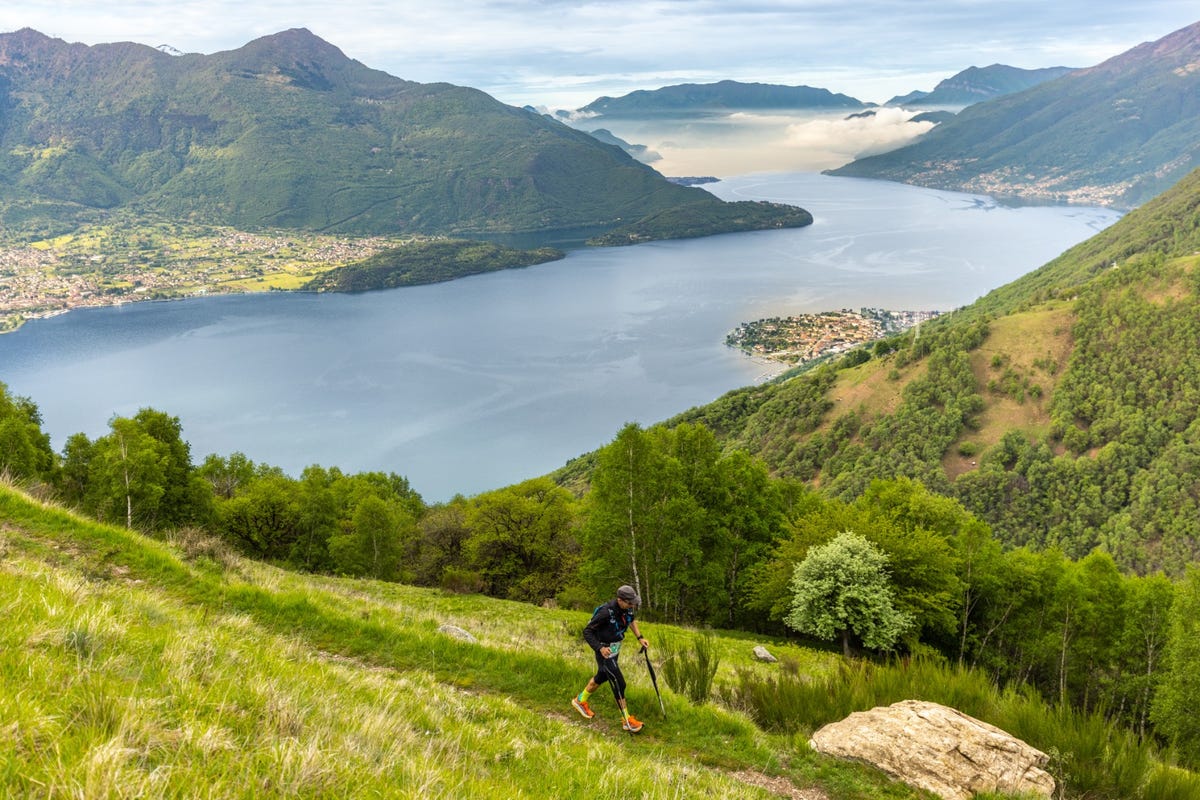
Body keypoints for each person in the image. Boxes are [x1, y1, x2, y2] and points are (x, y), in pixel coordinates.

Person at [571, 584, 649, 732]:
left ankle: (580, 700)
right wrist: (600, 648)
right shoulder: (605, 612)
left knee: (602, 676)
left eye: (633, 602)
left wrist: (640, 637)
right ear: (620, 600)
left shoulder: (627, 608)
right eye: (630, 602)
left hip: (615, 649)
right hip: (604, 651)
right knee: (619, 683)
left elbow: (631, 620)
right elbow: (587, 631)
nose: (632, 605)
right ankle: (627, 721)